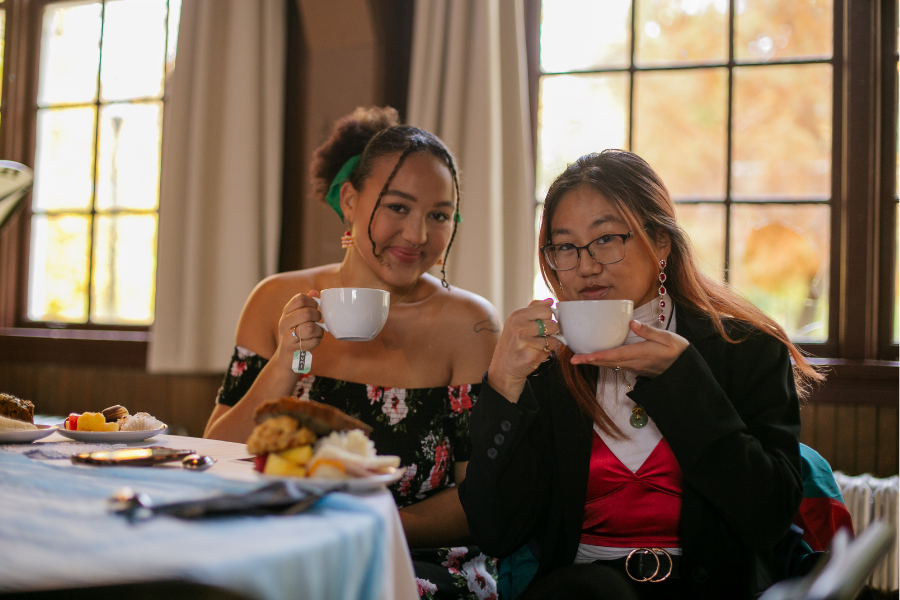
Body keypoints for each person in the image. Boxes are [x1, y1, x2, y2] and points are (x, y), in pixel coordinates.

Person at [458, 150, 823, 600]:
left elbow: (766, 517)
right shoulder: (545, 365)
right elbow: (497, 532)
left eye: (607, 238)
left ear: (662, 241)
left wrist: (683, 381)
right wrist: (503, 384)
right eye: (565, 246)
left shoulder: (745, 352)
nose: (586, 265)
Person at [204, 107, 501, 599]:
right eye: (398, 207)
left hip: (411, 559)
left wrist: (364, 526)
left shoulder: (471, 325)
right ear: (350, 201)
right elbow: (219, 455)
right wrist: (286, 362)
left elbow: (477, 502)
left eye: (439, 216)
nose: (418, 235)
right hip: (277, 548)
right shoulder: (273, 300)